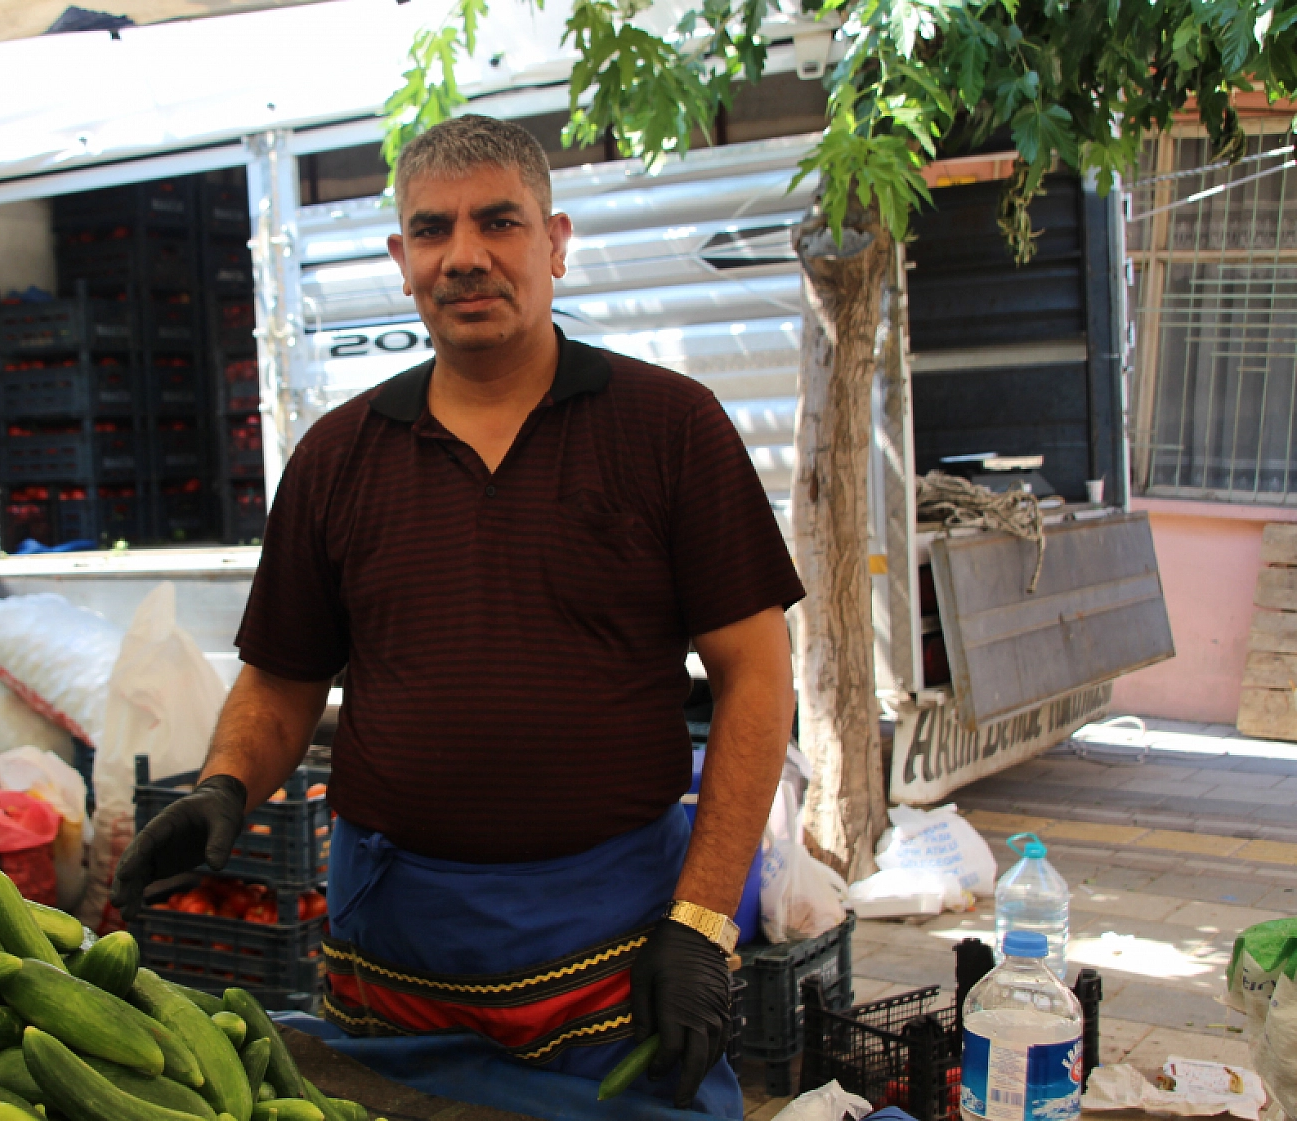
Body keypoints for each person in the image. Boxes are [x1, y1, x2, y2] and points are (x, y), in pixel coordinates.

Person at [113, 115, 802, 1113]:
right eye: (432, 230)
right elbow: (282, 678)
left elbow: (757, 675)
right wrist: (225, 787)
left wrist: (699, 924)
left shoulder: (670, 428)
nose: (465, 256)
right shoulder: (337, 455)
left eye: (498, 223)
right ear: (400, 260)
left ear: (554, 241)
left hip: (611, 939)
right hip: (393, 948)